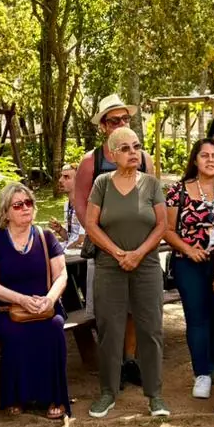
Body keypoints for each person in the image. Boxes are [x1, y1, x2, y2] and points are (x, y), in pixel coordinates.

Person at [84, 126, 168, 418]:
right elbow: (91, 225)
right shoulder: (102, 183)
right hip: (110, 266)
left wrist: (138, 253)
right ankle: (108, 393)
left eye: (136, 146)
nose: (133, 152)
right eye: (125, 148)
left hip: (146, 265)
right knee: (110, 329)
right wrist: (118, 253)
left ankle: (155, 396)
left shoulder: (151, 184)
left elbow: (162, 225)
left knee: (151, 328)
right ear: (112, 154)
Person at [73, 95, 155, 386]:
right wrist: (99, 236)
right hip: (104, 248)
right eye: (113, 120)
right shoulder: (91, 161)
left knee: (134, 307)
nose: (120, 124)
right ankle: (112, 364)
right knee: (108, 310)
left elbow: (153, 200)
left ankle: (130, 360)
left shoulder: (144, 159)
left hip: (138, 248)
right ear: (103, 126)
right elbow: (80, 202)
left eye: (125, 119)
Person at [0, 183, 71, 420]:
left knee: (53, 328)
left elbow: (61, 275)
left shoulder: (46, 237)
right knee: (16, 332)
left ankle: (55, 397)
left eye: (28, 203)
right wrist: (21, 300)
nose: (25, 208)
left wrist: (50, 300)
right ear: (6, 212)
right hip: (5, 309)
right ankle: (17, 396)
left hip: (45, 308)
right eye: (18, 205)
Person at [164, 139, 214, 399]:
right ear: (195, 160)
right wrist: (189, 249)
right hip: (188, 262)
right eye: (205, 155)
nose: (210, 160)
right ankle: (201, 373)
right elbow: (167, 230)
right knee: (197, 317)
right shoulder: (178, 191)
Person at [50, 163, 84, 248]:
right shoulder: (67, 205)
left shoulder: (85, 205)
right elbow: (71, 237)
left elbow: (82, 240)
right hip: (70, 248)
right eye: (61, 176)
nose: (60, 180)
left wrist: (63, 251)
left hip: (79, 252)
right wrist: (60, 230)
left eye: (66, 177)